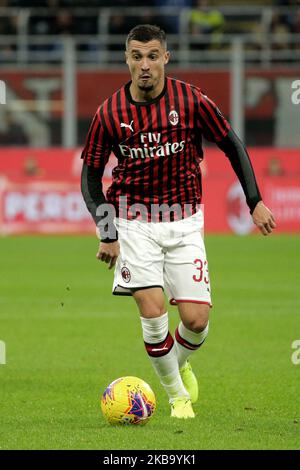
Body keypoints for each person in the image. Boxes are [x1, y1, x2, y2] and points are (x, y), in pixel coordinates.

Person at [81, 24, 276, 419]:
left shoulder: (190, 101)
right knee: (153, 313)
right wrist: (108, 232)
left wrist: (254, 200)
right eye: (137, 57)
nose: (145, 65)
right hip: (134, 221)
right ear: (127, 60)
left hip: (185, 220)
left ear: (165, 58)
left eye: (153, 56)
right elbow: (90, 177)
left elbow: (231, 143)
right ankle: (176, 398)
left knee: (196, 321)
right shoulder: (110, 112)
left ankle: (177, 362)